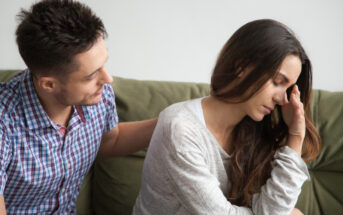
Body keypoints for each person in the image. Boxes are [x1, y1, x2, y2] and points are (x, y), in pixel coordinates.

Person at [132, 19, 321, 215]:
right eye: (277, 82)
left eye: (288, 88)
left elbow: (272, 209)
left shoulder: (252, 130)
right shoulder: (180, 129)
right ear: (241, 66)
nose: (283, 99)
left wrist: (296, 134)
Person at [0, 0, 157, 214]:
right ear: (49, 84)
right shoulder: (5, 122)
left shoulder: (97, 95)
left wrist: (171, 122)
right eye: (91, 75)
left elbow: (112, 140)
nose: (107, 79)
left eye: (103, 65)